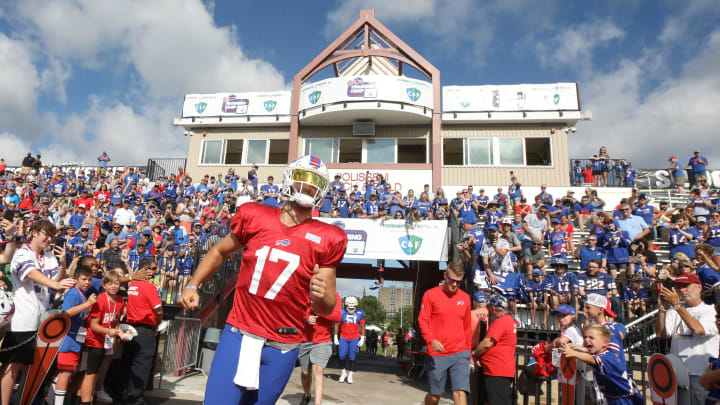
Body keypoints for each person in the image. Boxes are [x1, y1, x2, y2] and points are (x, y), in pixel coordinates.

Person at [177, 155, 346, 405]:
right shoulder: (255, 216)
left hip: (284, 344)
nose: (308, 186)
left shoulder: (329, 236)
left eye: (315, 182)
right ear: (289, 179)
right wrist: (193, 284)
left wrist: (322, 295)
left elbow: (325, 308)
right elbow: (219, 251)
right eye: (303, 179)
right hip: (240, 332)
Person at [0, 219, 75, 405]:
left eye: (52, 236)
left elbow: (56, 281)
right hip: (22, 320)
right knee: (13, 366)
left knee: (32, 367)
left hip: (42, 318)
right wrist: (55, 284)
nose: (49, 239)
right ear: (34, 233)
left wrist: (63, 264)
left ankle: (23, 401)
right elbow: (32, 273)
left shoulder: (48, 255)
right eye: (46, 235)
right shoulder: (22, 253)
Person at [655, 273, 719, 405]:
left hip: (700, 374)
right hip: (677, 374)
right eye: (678, 287)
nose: (682, 290)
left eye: (686, 286)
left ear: (699, 287)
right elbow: (661, 333)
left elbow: (699, 330)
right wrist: (661, 309)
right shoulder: (675, 311)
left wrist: (677, 305)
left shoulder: (710, 311)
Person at [418, 259, 472, 405]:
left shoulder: (465, 298)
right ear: (445, 276)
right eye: (452, 280)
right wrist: (431, 340)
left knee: (460, 392)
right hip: (437, 353)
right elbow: (422, 320)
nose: (455, 285)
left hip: (460, 351)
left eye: (459, 282)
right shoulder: (430, 295)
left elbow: (467, 328)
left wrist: (469, 353)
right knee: (435, 395)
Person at [560, 323, 643, 405]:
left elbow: (590, 359)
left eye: (591, 338)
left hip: (627, 400)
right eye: (585, 337)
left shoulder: (607, 357)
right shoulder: (598, 354)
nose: (586, 340)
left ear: (605, 343)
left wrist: (573, 353)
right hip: (613, 398)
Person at [117, 258, 162, 405]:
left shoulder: (133, 285)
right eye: (154, 269)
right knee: (142, 365)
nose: (156, 271)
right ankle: (135, 399)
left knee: (128, 362)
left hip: (131, 327)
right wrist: (159, 322)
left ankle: (124, 395)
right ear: (146, 270)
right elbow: (158, 310)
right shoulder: (149, 287)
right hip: (145, 329)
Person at [80, 270, 128, 405]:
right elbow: (93, 325)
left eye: (117, 283)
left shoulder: (119, 301)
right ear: (104, 285)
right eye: (110, 284)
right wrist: (109, 331)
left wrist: (121, 333)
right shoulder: (100, 300)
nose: (114, 286)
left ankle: (89, 399)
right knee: (90, 373)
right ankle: (84, 401)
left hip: (106, 341)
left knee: (97, 373)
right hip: (94, 340)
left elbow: (115, 322)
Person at [52, 265, 98, 405]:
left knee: (64, 373)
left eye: (89, 280)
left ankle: (52, 397)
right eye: (84, 279)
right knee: (65, 372)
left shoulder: (81, 293)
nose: (87, 282)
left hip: (75, 339)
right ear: (76, 279)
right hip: (68, 338)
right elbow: (66, 313)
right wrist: (88, 304)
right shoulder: (73, 293)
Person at [473, 294, 517, 405]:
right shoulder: (509, 320)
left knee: (498, 401)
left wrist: (475, 354)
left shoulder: (500, 322)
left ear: (493, 308)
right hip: (499, 368)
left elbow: (487, 344)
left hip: (497, 370)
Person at [299, 292, 342, 405]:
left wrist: (319, 311)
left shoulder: (334, 295)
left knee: (318, 369)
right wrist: (306, 318)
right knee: (305, 373)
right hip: (304, 339)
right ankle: (307, 394)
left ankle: (317, 403)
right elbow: (294, 312)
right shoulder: (303, 292)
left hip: (323, 340)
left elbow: (337, 316)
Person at [333, 296, 366, 384]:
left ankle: (350, 374)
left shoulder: (360, 313)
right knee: (341, 355)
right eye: (349, 307)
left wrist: (362, 338)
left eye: (353, 307)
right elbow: (337, 325)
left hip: (354, 338)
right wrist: (335, 336)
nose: (351, 309)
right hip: (343, 337)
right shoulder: (342, 312)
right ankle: (343, 372)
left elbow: (363, 326)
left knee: (352, 357)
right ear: (345, 305)